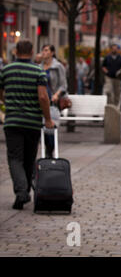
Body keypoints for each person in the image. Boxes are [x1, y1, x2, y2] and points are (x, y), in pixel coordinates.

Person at [0, 40, 55, 209]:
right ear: (32, 52)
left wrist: (8, 102)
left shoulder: (6, 70)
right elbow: (43, 97)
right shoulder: (38, 71)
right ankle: (25, 191)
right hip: (32, 122)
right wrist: (47, 118)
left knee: (15, 158)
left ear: (15, 51)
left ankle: (21, 192)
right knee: (29, 158)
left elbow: (1, 92)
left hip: (13, 121)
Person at [41, 44, 67, 158]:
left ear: (52, 53)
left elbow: (63, 85)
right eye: (43, 50)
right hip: (41, 101)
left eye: (46, 50)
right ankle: (47, 150)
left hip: (52, 102)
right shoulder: (38, 67)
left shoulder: (58, 66)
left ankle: (50, 150)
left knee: (51, 128)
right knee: (43, 128)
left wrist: (56, 94)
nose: (44, 53)